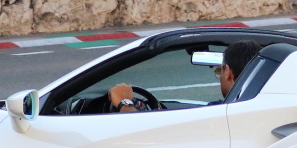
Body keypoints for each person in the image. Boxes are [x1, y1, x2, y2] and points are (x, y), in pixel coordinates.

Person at [105, 40, 264, 112]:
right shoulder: (264, 106)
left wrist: (124, 103)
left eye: (219, 71)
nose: (220, 76)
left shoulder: (221, 112)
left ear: (228, 72)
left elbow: (139, 131)